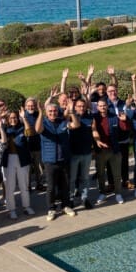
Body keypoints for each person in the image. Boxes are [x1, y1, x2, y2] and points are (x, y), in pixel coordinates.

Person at [36, 90, 81, 220]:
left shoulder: (62, 122)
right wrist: (40, 113)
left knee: (65, 185)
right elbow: (37, 129)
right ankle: (51, 208)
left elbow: (76, 125)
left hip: (64, 159)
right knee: (50, 187)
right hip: (50, 161)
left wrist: (71, 111)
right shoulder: (43, 123)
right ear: (46, 113)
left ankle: (66, 205)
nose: (52, 113)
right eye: (50, 112)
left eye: (54, 111)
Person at [0, 109, 35, 217]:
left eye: (15, 117)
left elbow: (30, 132)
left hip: (23, 159)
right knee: (9, 186)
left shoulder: (22, 128)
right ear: (7, 119)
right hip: (8, 160)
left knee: (24, 185)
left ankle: (27, 206)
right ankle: (11, 209)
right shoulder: (4, 129)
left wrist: (24, 118)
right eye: (11, 118)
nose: (13, 120)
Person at [92, 98, 126, 206]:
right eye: (100, 106)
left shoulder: (114, 116)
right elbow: (93, 131)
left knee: (117, 174)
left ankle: (118, 193)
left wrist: (124, 121)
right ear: (97, 107)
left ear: (107, 106)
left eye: (104, 105)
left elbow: (124, 129)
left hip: (114, 150)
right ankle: (102, 193)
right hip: (100, 151)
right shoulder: (94, 118)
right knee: (101, 174)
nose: (102, 107)